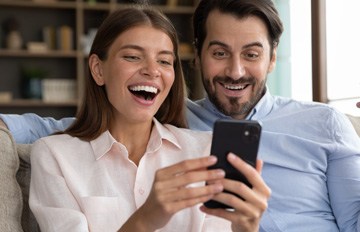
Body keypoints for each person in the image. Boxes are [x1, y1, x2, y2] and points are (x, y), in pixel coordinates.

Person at [1, 0, 360, 231]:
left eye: (251, 54)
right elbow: (65, 130)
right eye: (219, 53)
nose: (235, 71)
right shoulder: (186, 127)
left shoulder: (326, 122)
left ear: (272, 59)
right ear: (198, 55)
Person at [27, 6, 269, 232]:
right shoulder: (54, 155)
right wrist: (144, 220)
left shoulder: (205, 151)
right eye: (133, 57)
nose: (152, 70)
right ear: (98, 70)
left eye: (164, 61)